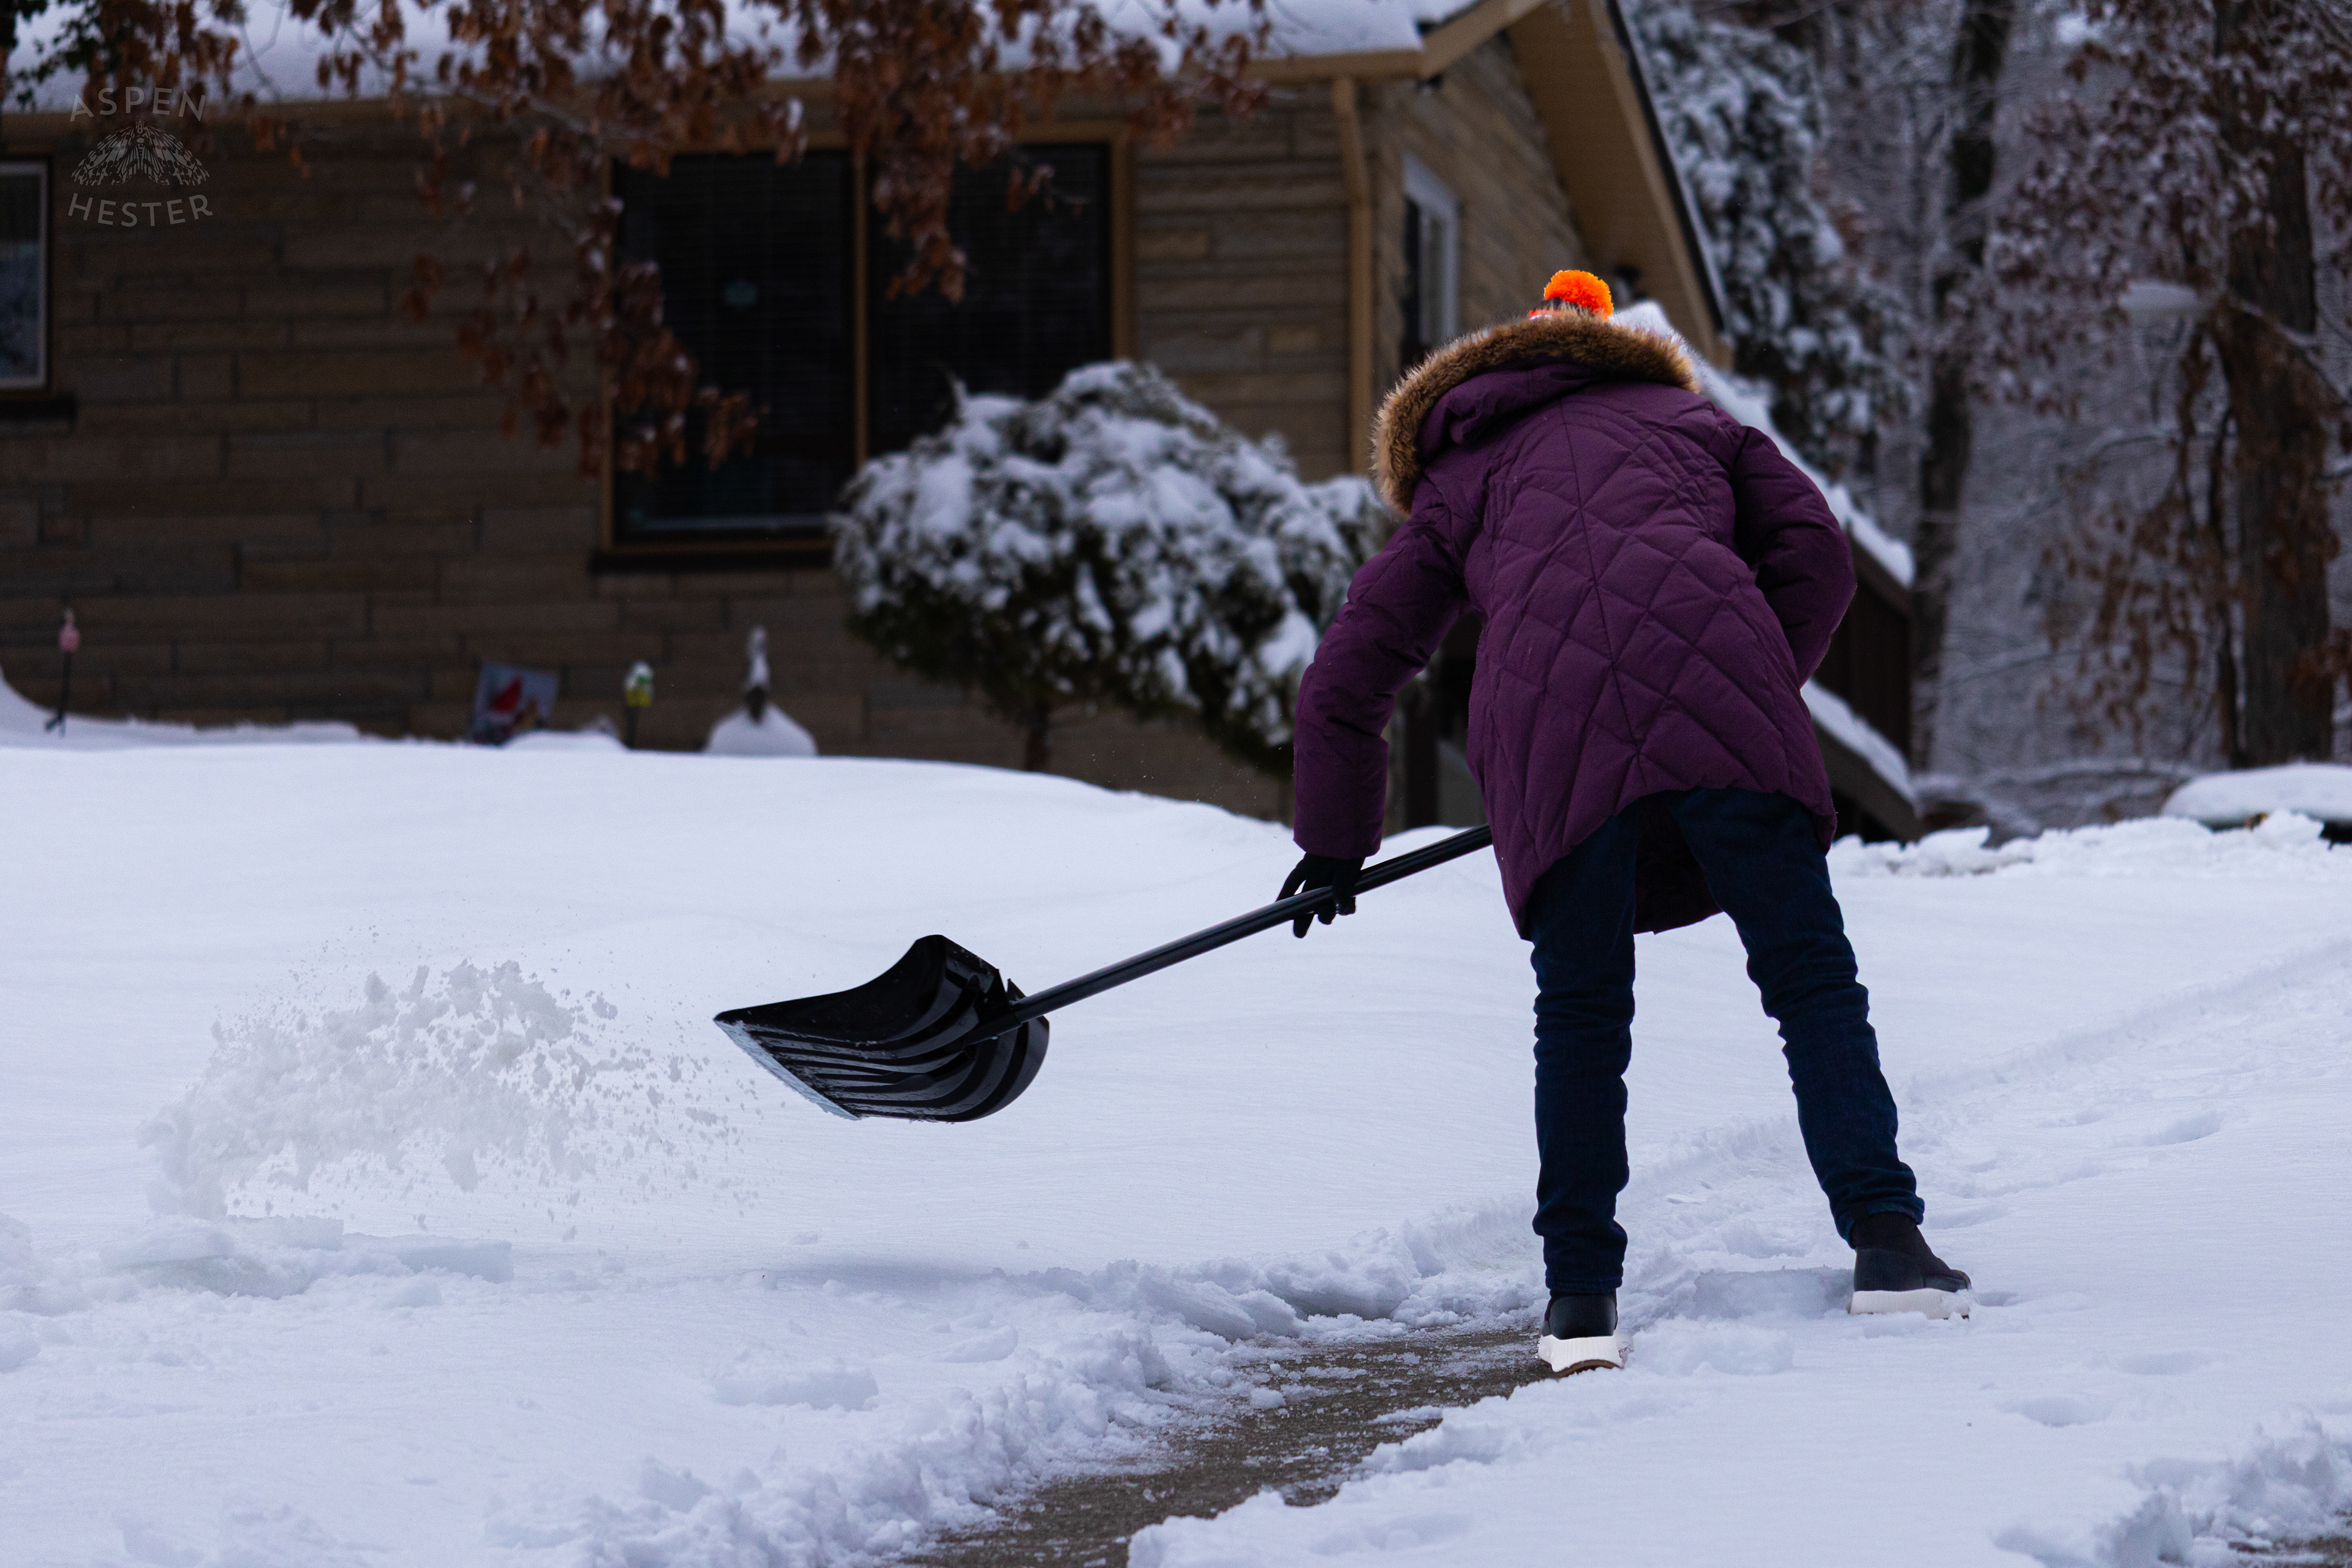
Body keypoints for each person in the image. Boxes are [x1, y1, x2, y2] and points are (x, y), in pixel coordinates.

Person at [1279, 270, 1969, 1377]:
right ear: (1611, 347)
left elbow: (1352, 671)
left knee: (1583, 1017)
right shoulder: (1697, 422)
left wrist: (1334, 841)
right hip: (1726, 717)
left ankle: (1580, 1306)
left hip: (1556, 747)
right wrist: (1740, 685)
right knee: (1810, 982)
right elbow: (1818, 556)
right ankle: (1889, 1245)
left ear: (1496, 365)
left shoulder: (1459, 474)